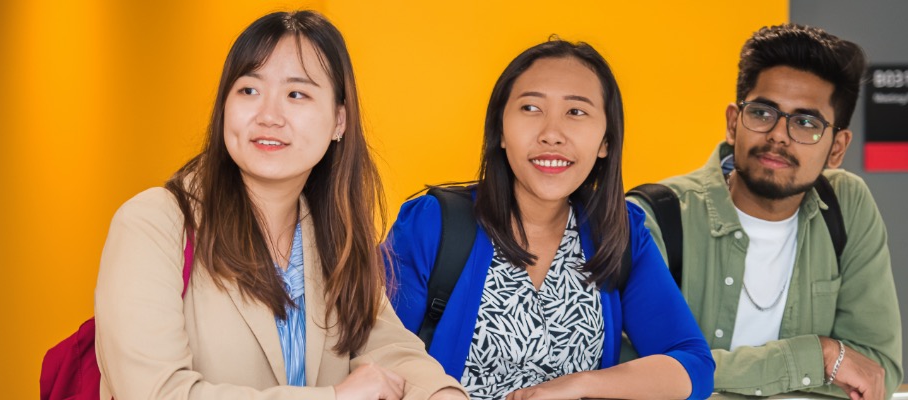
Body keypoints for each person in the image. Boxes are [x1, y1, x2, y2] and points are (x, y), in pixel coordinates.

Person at [94, 10, 466, 400]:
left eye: (296, 94)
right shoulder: (154, 224)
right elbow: (155, 392)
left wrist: (442, 393)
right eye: (249, 90)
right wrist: (336, 397)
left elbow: (388, 348)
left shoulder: (332, 236)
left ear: (339, 120)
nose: (268, 115)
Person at [384, 38, 714, 400]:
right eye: (530, 107)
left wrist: (583, 384)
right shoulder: (432, 225)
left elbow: (693, 366)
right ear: (501, 132)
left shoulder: (619, 233)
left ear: (606, 142)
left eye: (576, 112)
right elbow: (373, 355)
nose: (551, 134)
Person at [626, 24, 902, 399]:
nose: (778, 135)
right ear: (732, 122)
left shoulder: (846, 205)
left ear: (837, 148)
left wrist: (694, 377)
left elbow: (874, 371)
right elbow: (627, 370)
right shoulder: (651, 217)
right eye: (762, 112)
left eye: (806, 123)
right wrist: (817, 357)